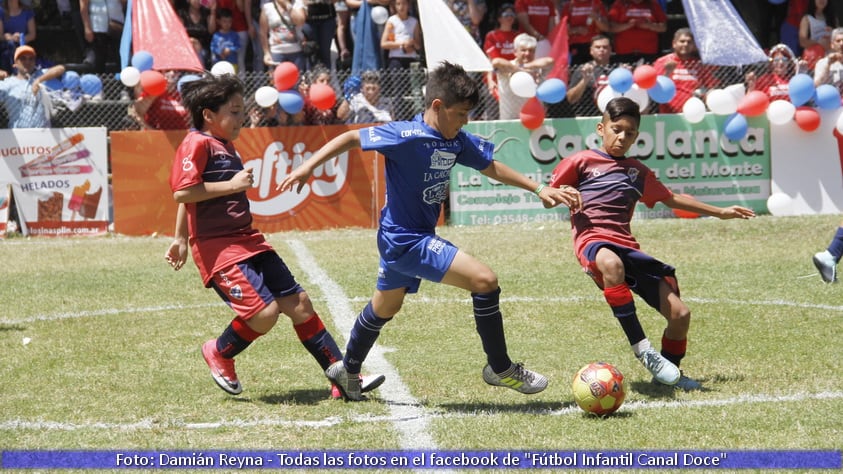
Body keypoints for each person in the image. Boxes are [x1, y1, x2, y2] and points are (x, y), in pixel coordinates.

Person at [276, 61, 582, 401]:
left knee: (385, 307)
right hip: (406, 240)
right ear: (438, 106)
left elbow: (490, 166)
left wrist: (539, 189)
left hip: (405, 236)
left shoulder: (455, 140)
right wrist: (306, 167)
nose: (466, 121)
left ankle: (347, 372)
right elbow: (350, 137)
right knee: (484, 280)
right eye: (462, 114)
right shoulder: (405, 135)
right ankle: (500, 367)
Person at [165, 73, 385, 398]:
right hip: (220, 248)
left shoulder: (225, 145)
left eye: (242, 110)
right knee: (263, 315)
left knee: (300, 305)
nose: (242, 117)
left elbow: (193, 194)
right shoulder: (196, 142)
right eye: (235, 111)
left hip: (248, 240)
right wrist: (188, 232)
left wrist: (182, 234)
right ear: (209, 115)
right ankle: (219, 351)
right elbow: (183, 192)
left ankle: (343, 376)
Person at [548, 96, 756, 392]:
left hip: (626, 245)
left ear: (636, 136)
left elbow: (671, 199)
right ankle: (643, 349)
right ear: (600, 128)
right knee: (611, 264)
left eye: (629, 133)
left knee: (680, 315)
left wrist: (720, 212)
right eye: (616, 129)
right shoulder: (581, 161)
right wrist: (562, 193)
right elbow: (548, 193)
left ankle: (669, 375)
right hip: (593, 240)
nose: (621, 137)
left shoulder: (637, 172)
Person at [652, 28, 719, 114]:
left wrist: (705, 93)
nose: (685, 44)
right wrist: (667, 72)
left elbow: (711, 86)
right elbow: (655, 90)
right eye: (682, 41)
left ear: (694, 46)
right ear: (674, 43)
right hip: (669, 113)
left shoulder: (699, 65)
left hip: (695, 113)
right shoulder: (663, 62)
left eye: (689, 42)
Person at [0, 45, 65, 128]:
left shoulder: (41, 74)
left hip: (43, 134)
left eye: (31, 59)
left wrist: (39, 80)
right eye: (23, 58)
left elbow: (60, 68)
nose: (27, 62)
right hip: (18, 134)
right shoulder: (7, 83)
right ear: (15, 63)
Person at [492, 32, 553, 120]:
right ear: (515, 52)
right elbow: (496, 62)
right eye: (523, 50)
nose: (527, 53)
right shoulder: (507, 67)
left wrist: (526, 67)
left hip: (535, 122)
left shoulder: (538, 68)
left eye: (531, 50)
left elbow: (550, 61)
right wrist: (520, 70)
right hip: (509, 122)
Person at [565, 34, 613, 117]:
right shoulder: (582, 70)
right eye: (597, 47)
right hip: (586, 116)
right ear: (591, 51)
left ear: (610, 50)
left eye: (605, 47)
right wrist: (585, 80)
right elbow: (571, 99)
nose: (601, 50)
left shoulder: (617, 70)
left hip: (611, 116)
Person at [607, 0, 667, 65]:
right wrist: (629, 25)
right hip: (624, 52)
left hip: (649, 52)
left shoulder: (653, 4)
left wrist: (649, 26)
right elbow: (611, 28)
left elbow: (663, 28)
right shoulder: (620, 3)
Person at [259, 0, 306, 71]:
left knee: (298, 80)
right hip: (276, 52)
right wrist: (266, 53)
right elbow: (263, 32)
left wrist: (287, 5)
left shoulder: (297, 5)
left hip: (296, 50)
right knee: (277, 80)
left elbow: (300, 22)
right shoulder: (267, 8)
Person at [79, 0, 125, 72]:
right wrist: (87, 28)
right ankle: (100, 80)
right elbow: (83, 8)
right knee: (99, 59)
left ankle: (122, 80)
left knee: (120, 56)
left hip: (117, 25)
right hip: (97, 27)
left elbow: (125, 3)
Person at [561, 0, 610, 66]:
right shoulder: (569, 5)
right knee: (577, 70)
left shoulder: (597, 3)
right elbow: (562, 30)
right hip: (576, 45)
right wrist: (576, 30)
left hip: (594, 45)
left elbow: (606, 28)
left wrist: (597, 18)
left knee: (597, 70)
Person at [178, 0, 217, 69]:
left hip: (204, 47)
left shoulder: (206, 12)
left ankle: (201, 71)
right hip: (188, 45)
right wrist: (192, 41)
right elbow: (180, 33)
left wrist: (213, 12)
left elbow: (211, 30)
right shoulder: (182, 13)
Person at [1, 0, 36, 73]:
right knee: (10, 47)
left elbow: (32, 34)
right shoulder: (1, 11)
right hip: (6, 46)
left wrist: (20, 39)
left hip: (23, 44)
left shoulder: (27, 11)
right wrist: (11, 38)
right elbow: (0, 35)